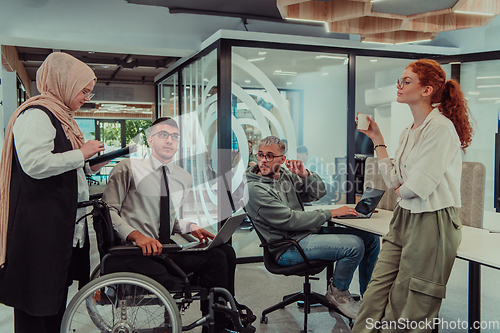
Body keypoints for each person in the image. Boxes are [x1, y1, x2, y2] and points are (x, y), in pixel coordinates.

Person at [352, 59, 473, 333]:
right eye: (400, 80)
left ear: (426, 90)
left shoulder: (441, 128)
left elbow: (415, 188)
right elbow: (395, 181)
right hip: (404, 217)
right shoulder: (409, 131)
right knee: (375, 292)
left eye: (406, 81)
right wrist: (377, 139)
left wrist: (401, 186)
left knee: (408, 305)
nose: (399, 85)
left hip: (433, 222)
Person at [102, 117, 254, 331]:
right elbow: (108, 211)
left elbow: (168, 218)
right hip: (135, 251)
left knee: (225, 251)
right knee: (217, 259)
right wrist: (136, 235)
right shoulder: (128, 168)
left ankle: (223, 312)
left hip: (164, 248)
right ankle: (219, 322)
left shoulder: (182, 177)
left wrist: (188, 226)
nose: (169, 141)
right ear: (150, 139)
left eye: (174, 137)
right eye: (163, 135)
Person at [0, 52, 107, 333]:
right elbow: (35, 164)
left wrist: (89, 164)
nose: (86, 96)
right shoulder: (37, 114)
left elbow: (67, 170)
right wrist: (80, 153)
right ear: (64, 83)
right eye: (83, 90)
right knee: (36, 306)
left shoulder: (63, 118)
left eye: (89, 91)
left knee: (54, 301)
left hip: (60, 228)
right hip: (39, 230)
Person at [244, 136, 380, 320]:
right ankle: (338, 293)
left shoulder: (284, 175)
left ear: (282, 159)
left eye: (270, 156)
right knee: (354, 245)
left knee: (369, 238)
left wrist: (305, 175)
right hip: (287, 247)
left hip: (306, 235)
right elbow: (290, 220)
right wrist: (331, 213)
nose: (263, 160)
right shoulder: (254, 189)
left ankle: (369, 299)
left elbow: (318, 193)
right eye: (261, 155)